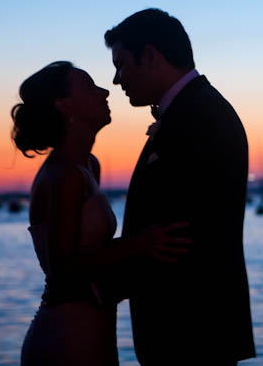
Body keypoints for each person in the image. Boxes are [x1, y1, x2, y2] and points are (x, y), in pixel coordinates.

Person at [13, 61, 191, 366]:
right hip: (68, 338)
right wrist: (139, 244)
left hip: (96, 331)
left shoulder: (88, 166)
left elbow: (95, 260)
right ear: (65, 105)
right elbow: (64, 268)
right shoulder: (65, 175)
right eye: (89, 87)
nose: (105, 91)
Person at [103, 8, 256, 364]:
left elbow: (178, 233)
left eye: (121, 64)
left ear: (151, 56)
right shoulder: (195, 110)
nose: (116, 79)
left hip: (190, 331)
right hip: (194, 329)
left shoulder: (199, 117)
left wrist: (92, 283)